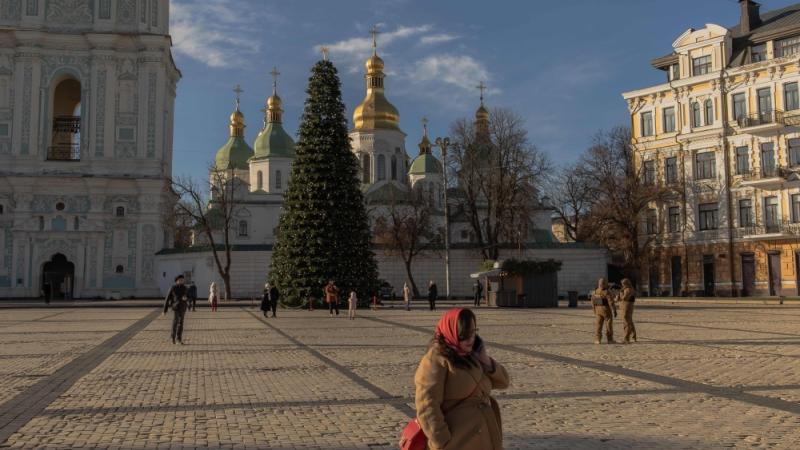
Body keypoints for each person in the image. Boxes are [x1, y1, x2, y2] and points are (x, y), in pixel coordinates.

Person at [414, 308, 509, 450]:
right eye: (464, 334)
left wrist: (486, 361)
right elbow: (427, 404)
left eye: (473, 332)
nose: (470, 339)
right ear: (452, 331)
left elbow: (503, 382)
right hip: (458, 441)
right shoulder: (436, 358)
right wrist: (442, 440)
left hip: (484, 437)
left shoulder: (473, 355)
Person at [163, 274, 189, 344]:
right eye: (180, 280)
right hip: (175, 307)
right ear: (176, 281)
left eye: (182, 280)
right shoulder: (173, 288)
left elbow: (188, 296)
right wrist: (165, 310)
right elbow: (167, 298)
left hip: (183, 307)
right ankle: (173, 337)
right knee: (175, 322)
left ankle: (179, 338)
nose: (181, 281)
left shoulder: (185, 288)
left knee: (181, 323)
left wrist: (186, 299)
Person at [591, 278, 615, 344]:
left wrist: (594, 310)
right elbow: (611, 302)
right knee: (608, 325)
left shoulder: (595, 291)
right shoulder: (607, 291)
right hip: (606, 310)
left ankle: (597, 339)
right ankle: (610, 339)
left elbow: (592, 302)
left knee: (598, 325)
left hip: (598, 310)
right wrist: (614, 310)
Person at [619, 278, 637, 343]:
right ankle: (633, 336)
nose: (622, 285)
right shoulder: (631, 289)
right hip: (629, 306)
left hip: (626, 306)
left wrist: (620, 293)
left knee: (626, 322)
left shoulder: (628, 290)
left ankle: (626, 338)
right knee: (630, 321)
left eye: (623, 284)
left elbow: (624, 298)